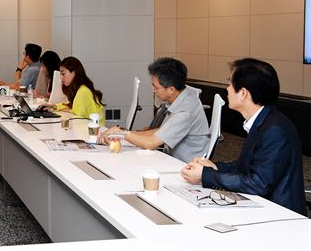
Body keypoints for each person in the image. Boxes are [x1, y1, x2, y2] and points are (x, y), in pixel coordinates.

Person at [181, 58, 307, 216]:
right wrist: (214, 167)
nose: (226, 89)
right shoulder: (265, 120)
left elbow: (258, 184)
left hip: (280, 216)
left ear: (243, 93)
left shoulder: (275, 129)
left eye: (229, 84)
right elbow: (246, 166)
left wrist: (206, 175)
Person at [100, 57, 209, 163]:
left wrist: (121, 133)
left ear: (171, 89)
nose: (153, 90)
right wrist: (124, 133)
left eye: (156, 87)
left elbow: (151, 143)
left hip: (184, 167)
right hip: (171, 159)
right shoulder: (180, 96)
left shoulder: (184, 111)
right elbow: (161, 131)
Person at [41, 56, 105, 123]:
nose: (61, 77)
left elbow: (78, 117)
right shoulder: (78, 89)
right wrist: (54, 106)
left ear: (74, 72)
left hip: (94, 130)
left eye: (63, 74)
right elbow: (72, 106)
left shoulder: (83, 91)